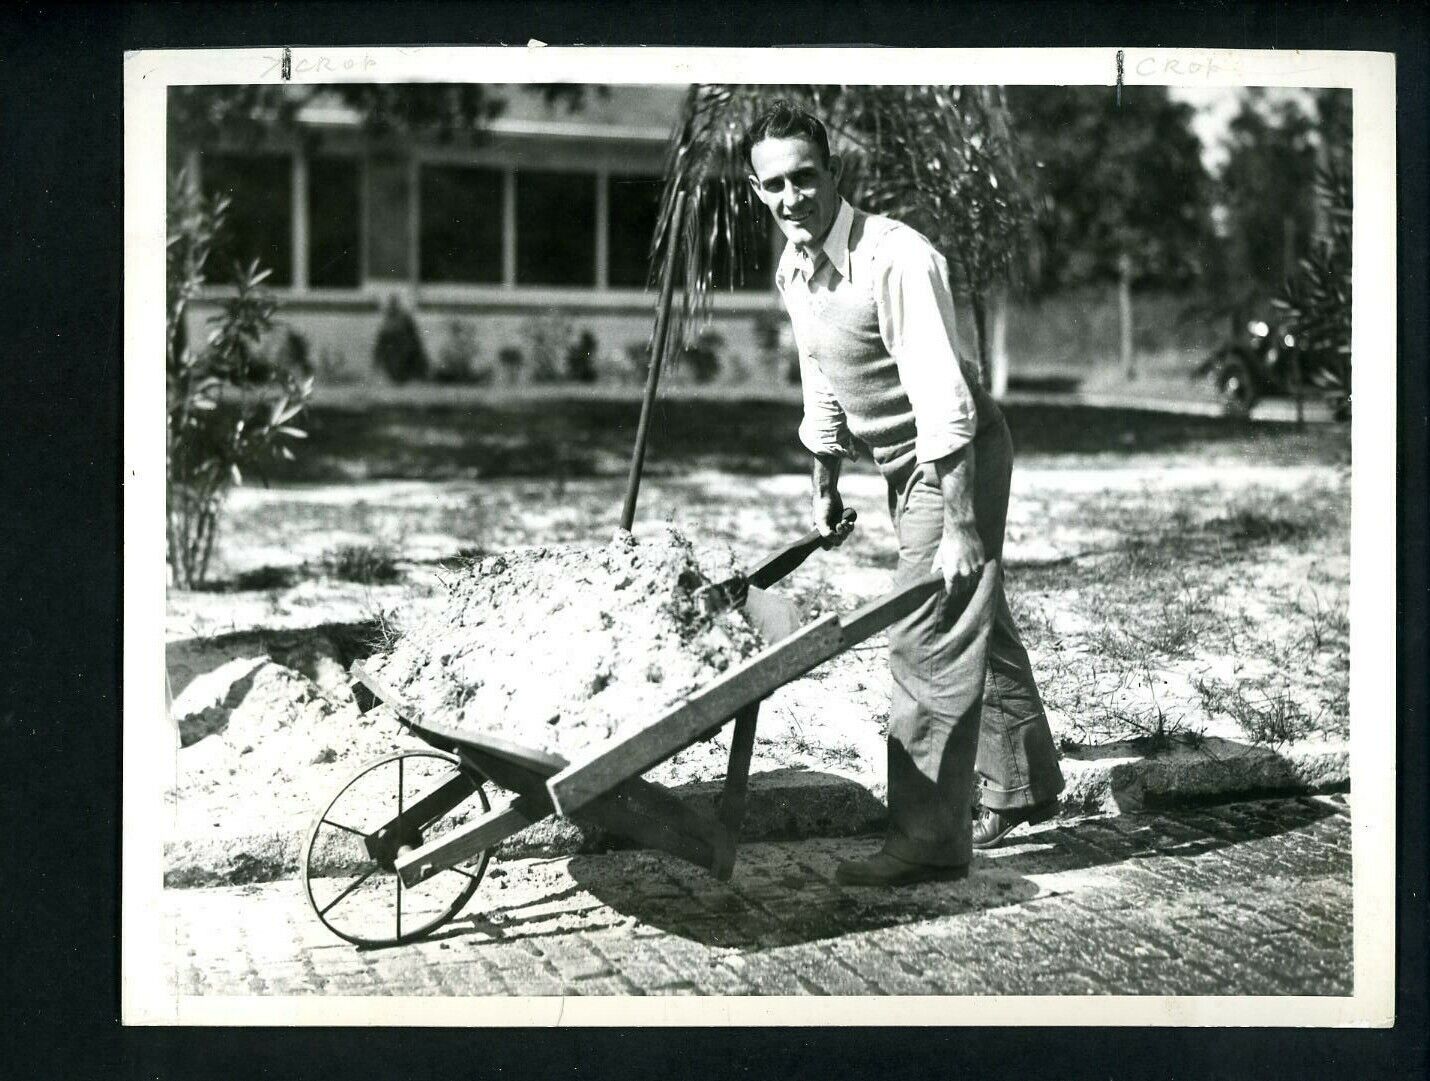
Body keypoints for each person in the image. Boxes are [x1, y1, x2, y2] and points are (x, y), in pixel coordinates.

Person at [745, 101, 1065, 886]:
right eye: (775, 185)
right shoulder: (795, 265)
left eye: (805, 177)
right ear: (759, 191)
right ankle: (1024, 787)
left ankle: (926, 841)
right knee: (971, 617)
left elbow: (943, 396)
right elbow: (823, 379)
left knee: (924, 635)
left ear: (833, 173)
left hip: (956, 456)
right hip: (902, 463)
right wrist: (824, 484)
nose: (793, 198)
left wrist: (960, 523)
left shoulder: (895, 258)